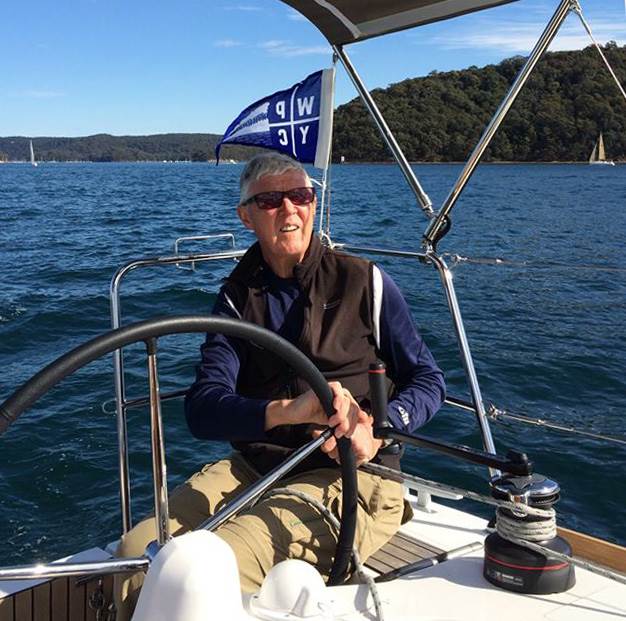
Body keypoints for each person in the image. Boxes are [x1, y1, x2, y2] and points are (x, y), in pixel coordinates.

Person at [114, 152, 445, 618]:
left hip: (354, 476)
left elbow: (427, 379)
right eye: (270, 200)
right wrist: (289, 412)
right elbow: (203, 408)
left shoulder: (364, 281)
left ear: (313, 204)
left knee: (199, 570)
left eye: (300, 195)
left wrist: (378, 428)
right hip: (257, 467)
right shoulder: (236, 298)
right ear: (246, 217)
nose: (289, 208)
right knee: (135, 553)